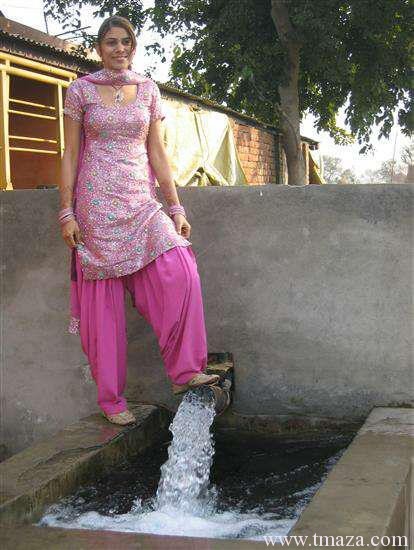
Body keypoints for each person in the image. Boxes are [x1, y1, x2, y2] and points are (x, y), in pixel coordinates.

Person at [59, 15, 219, 426]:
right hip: (95, 206)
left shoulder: (148, 89)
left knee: (181, 270)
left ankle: (185, 372)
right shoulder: (80, 90)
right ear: (99, 48)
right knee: (104, 310)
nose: (119, 48)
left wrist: (176, 208)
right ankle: (112, 400)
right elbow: (71, 154)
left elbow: (157, 153)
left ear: (133, 46)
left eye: (126, 41)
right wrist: (66, 211)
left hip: (141, 203)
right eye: (111, 42)